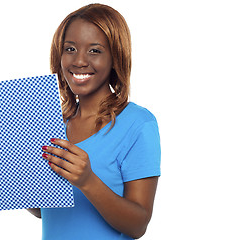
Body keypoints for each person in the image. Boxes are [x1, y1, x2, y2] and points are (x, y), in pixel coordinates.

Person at [28, 3, 161, 239]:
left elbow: (138, 225)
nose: (79, 60)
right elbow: (43, 210)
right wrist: (0, 161)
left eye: (95, 51)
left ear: (115, 57)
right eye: (70, 48)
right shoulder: (51, 122)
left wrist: (88, 180)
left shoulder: (138, 124)